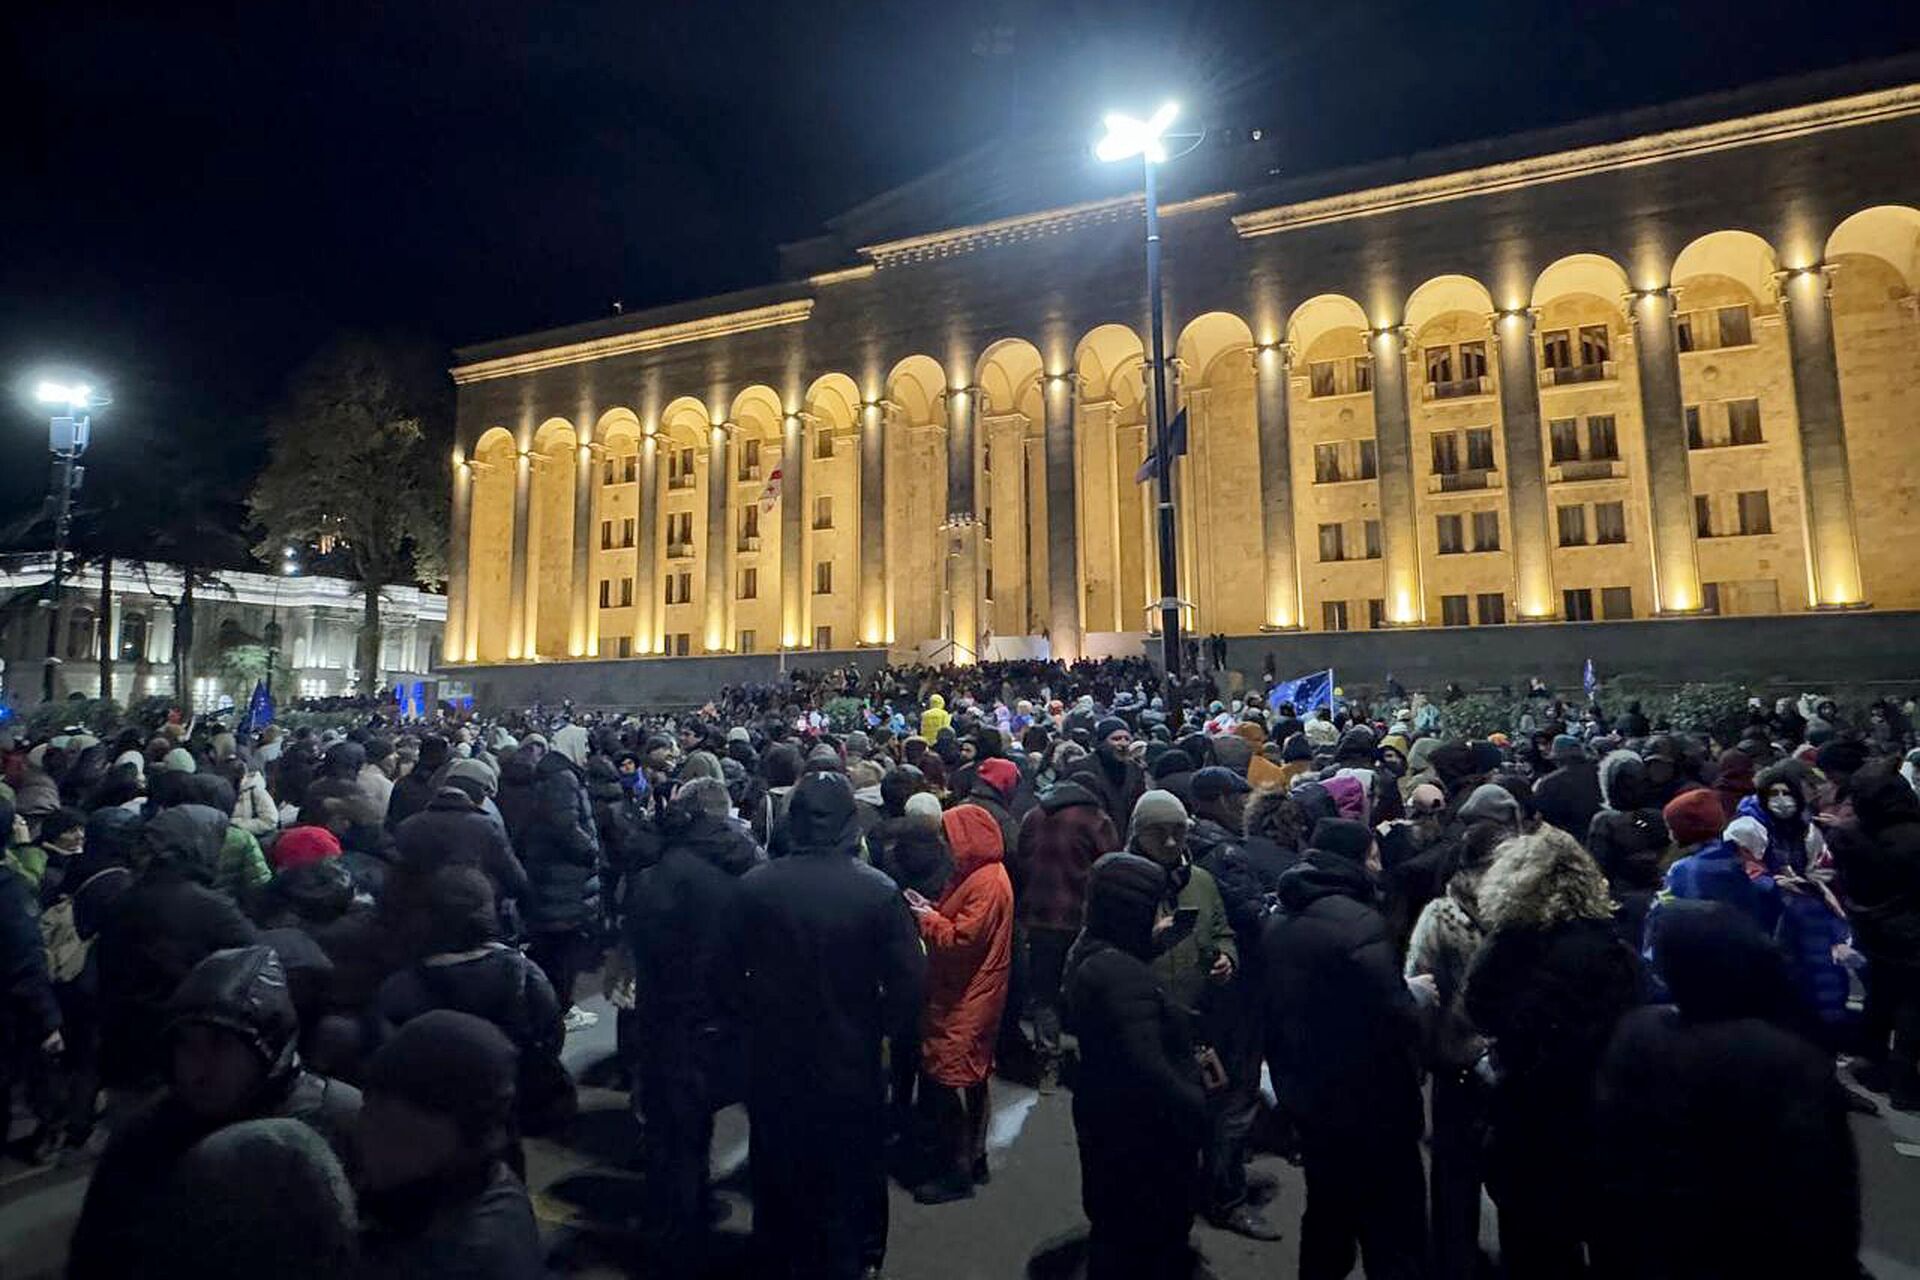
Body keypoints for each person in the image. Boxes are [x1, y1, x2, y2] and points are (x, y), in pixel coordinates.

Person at [1595, 901, 1861, 1279]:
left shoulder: (1638, 1035)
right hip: (1759, 1248)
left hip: (1657, 1244)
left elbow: (1613, 1149)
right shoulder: (1788, 1057)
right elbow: (1825, 1188)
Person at [69, 945, 363, 1280]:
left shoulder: (338, 1117)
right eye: (185, 1044)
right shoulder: (148, 1135)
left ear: (266, 1046)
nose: (198, 1068)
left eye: (220, 1044)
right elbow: (96, 1254)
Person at [733, 771, 926, 1279]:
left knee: (777, 1174)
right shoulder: (877, 891)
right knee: (848, 1178)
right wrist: (879, 1031)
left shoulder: (755, 888)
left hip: (773, 1063)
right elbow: (910, 983)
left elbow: (725, 976)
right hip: (849, 1062)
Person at [1465, 827, 1641, 1277]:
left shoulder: (1505, 946)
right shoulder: (1610, 946)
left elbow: (1478, 1010)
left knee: (1535, 1254)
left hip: (1527, 1124)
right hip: (1602, 1123)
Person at [1263, 818, 1426, 1279]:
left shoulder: (1281, 914)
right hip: (1372, 1102)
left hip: (1309, 1096)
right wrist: (1419, 998)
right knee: (1392, 1227)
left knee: (1327, 1217)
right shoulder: (1360, 923)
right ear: (1354, 859)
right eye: (1374, 854)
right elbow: (1394, 1013)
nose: (1379, 864)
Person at [628, 776, 759, 1273]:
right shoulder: (750, 863)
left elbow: (646, 943)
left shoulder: (669, 872)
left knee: (677, 1137)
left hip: (676, 1021)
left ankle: (676, 1238)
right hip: (734, 1018)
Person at [1063, 852, 1208, 1279]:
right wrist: (1197, 1108)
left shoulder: (1094, 951)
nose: (1162, 916)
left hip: (1108, 1124)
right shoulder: (1118, 975)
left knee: (1117, 1228)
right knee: (1145, 1240)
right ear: (1131, 911)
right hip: (1140, 1138)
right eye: (1154, 908)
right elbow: (1149, 1069)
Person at [371, 866, 569, 1138]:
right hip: (510, 1105)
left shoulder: (400, 987)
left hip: (436, 1121)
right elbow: (552, 1034)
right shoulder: (522, 972)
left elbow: (389, 1060)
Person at [356, 1011, 546, 1280]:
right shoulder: (487, 1183)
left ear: (467, 1138)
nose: (366, 1137)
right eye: (368, 1111)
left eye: (396, 1132)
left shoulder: (451, 1259)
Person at [95, 805, 260, 1091]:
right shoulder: (210, 907)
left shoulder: (126, 896)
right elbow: (256, 959)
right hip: (185, 1045)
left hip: (123, 1039)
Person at [1181, 766, 1279, 1240]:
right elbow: (1255, 920)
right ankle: (1227, 1197)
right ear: (1218, 800)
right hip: (1236, 991)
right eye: (1238, 799)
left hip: (1200, 986)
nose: (1244, 808)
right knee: (1235, 1097)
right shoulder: (1224, 854)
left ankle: (1203, 1179)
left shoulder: (1186, 844)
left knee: (1207, 1087)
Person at [905, 803, 1013, 1204]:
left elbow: (960, 942)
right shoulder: (982, 873)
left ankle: (957, 1170)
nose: (944, 845)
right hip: (972, 989)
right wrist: (933, 909)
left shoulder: (985, 882)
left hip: (967, 994)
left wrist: (924, 918)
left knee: (949, 1076)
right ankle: (974, 1155)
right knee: (973, 1074)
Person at [1010, 767, 1120, 1090]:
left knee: (1044, 992)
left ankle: (1048, 1062)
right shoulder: (1095, 819)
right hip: (1083, 919)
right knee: (1088, 991)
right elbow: (1112, 867)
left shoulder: (1033, 816)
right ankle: (1092, 1065)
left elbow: (1020, 860)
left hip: (1040, 916)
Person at [1830, 762, 1920, 1109]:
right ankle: (1905, 1081)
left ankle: (1872, 1064)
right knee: (1913, 1007)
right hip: (1911, 931)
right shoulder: (1913, 838)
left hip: (1870, 928)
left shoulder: (1845, 834)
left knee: (1880, 997)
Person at [515, 735, 603, 1030]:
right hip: (562, 881)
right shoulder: (562, 779)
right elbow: (565, 825)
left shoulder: (554, 775)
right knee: (563, 951)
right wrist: (591, 851)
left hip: (553, 878)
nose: (589, 752)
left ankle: (547, 1009)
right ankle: (558, 1012)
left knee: (553, 948)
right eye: (585, 746)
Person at [1071, 717, 1146, 834]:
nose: (1123, 744)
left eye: (1127, 739)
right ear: (1101, 742)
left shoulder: (1135, 770)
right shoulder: (1080, 767)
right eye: (1116, 739)